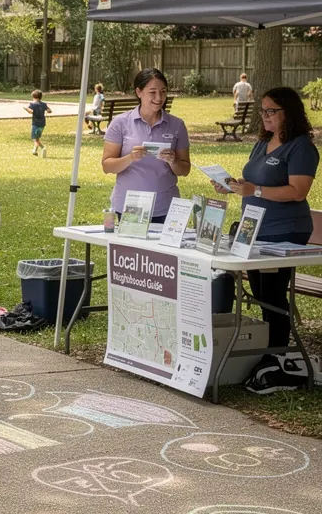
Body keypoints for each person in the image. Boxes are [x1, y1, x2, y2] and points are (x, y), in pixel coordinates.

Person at [213, 87, 320, 394]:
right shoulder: (262, 143)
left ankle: (277, 358)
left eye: (272, 111)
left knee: (272, 295)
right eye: (263, 111)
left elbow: (297, 191)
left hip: (284, 231)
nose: (266, 116)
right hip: (253, 230)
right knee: (260, 293)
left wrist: (254, 191)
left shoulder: (301, 148)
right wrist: (233, 186)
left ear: (289, 112)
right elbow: (252, 182)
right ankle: (268, 355)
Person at [102, 69, 190, 223]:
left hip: (166, 207)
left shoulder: (177, 125)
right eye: (153, 92)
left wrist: (173, 161)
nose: (159, 97)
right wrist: (130, 158)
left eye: (163, 91)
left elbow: (185, 169)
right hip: (131, 206)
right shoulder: (120, 123)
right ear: (139, 92)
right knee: (132, 248)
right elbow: (107, 166)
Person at [25, 89, 51, 157]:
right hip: (42, 124)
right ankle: (34, 151)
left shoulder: (32, 104)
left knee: (35, 138)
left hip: (35, 124)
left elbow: (30, 111)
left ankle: (43, 147)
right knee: (37, 138)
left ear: (33, 97)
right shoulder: (44, 104)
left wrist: (26, 108)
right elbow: (49, 111)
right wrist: (45, 110)